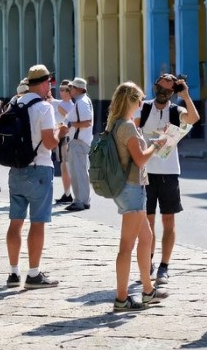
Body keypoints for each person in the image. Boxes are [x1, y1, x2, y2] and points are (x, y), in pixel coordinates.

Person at [107, 81, 167, 311]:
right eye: (140, 100)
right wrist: (156, 145)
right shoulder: (127, 127)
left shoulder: (115, 123)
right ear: (132, 101)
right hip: (131, 188)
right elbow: (140, 159)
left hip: (127, 187)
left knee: (147, 236)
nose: (142, 104)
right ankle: (122, 298)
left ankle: (148, 289)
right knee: (126, 245)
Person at [136, 73, 200, 284]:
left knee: (168, 220)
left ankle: (165, 265)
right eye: (161, 84)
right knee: (148, 221)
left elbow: (193, 118)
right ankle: (149, 262)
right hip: (145, 172)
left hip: (169, 171)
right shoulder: (144, 108)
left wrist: (186, 95)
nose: (164, 90)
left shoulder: (176, 110)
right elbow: (130, 125)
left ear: (173, 91)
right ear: (156, 87)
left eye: (169, 85)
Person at [5, 64, 59, 289]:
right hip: (39, 169)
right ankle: (34, 274)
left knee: (15, 222)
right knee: (37, 223)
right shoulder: (44, 108)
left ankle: (13, 273)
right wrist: (60, 133)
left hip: (16, 169)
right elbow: (49, 142)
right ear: (45, 83)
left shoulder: (14, 103)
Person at [62, 77, 93, 212]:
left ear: (78, 89)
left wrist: (70, 124)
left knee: (77, 172)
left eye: (71, 88)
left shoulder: (81, 102)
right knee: (81, 172)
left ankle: (79, 201)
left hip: (78, 141)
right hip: (82, 141)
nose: (70, 91)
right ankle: (84, 200)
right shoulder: (84, 101)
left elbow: (87, 122)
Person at [54, 79, 73, 205]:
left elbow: (72, 120)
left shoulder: (72, 105)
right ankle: (67, 193)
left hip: (66, 137)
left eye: (64, 89)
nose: (61, 92)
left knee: (65, 165)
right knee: (63, 166)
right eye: (60, 89)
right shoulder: (57, 103)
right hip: (59, 136)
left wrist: (63, 112)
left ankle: (68, 194)